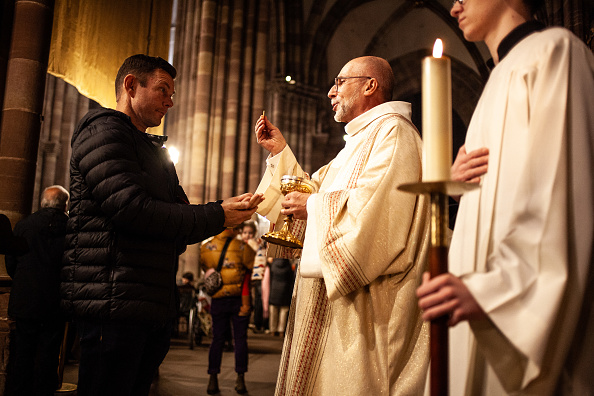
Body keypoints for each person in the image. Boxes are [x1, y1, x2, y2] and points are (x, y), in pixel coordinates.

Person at [416, 1, 594, 394]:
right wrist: (453, 186)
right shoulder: (495, 83)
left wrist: (494, 290)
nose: (455, 5)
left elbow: (562, 191)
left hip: (511, 303)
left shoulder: (554, 51)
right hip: (474, 285)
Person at [61, 54, 263, 396]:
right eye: (162, 90)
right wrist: (218, 215)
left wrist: (222, 210)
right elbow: (133, 210)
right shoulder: (103, 132)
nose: (170, 101)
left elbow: (176, 217)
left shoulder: (151, 150)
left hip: (144, 301)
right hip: (112, 302)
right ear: (130, 86)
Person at [254, 56, 431, 395]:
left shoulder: (394, 133)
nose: (330, 92)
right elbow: (314, 188)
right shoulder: (361, 142)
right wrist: (280, 152)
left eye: (340, 82)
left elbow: (379, 213)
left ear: (370, 85)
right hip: (334, 305)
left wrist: (314, 206)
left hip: (365, 310)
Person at [5, 185, 69, 396]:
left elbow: (11, 261)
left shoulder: (25, 225)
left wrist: (25, 283)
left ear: (43, 202)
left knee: (22, 355)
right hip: (55, 303)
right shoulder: (71, 230)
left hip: (26, 302)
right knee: (48, 357)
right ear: (65, 204)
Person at [201, 227, 255, 395]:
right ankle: (240, 379)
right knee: (240, 340)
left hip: (217, 299)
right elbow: (250, 271)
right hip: (239, 299)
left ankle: (213, 379)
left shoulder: (206, 247)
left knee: (217, 339)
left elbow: (206, 270)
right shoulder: (242, 247)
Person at [262, 258, 294, 337]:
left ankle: (273, 329)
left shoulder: (273, 265)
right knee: (284, 310)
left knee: (273, 310)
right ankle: (281, 330)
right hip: (285, 290)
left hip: (274, 289)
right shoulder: (288, 265)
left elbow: (270, 278)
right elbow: (291, 279)